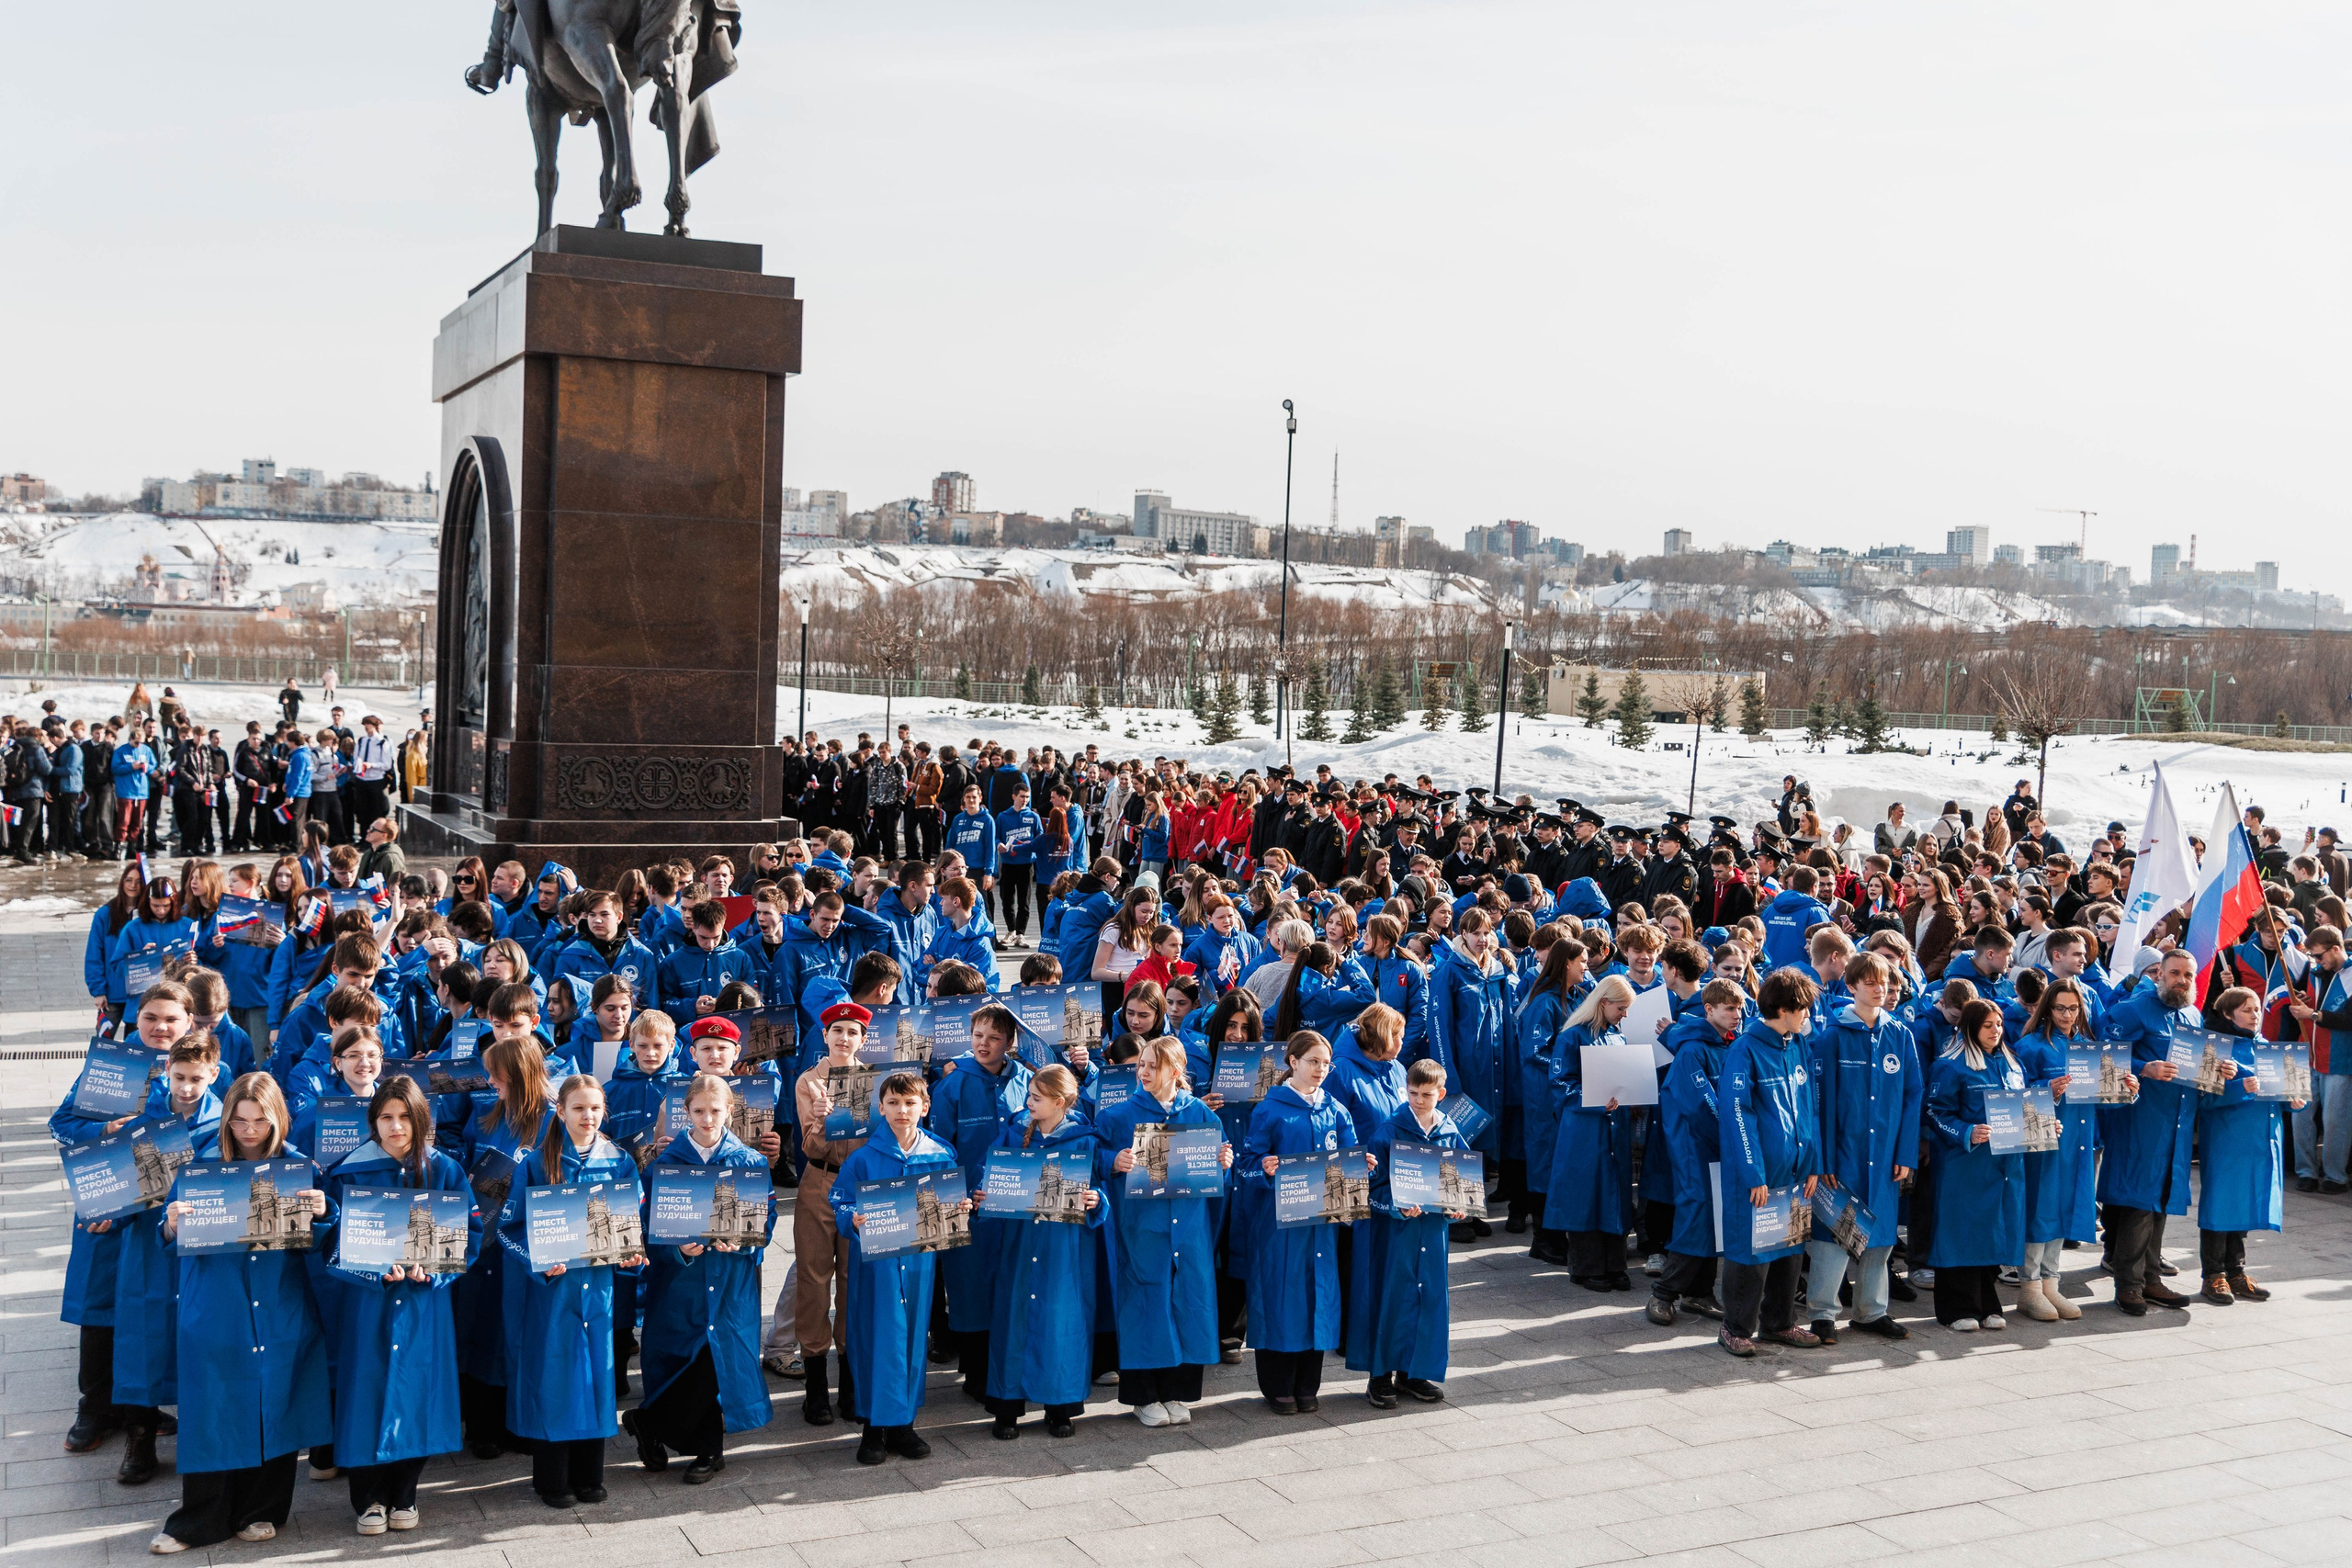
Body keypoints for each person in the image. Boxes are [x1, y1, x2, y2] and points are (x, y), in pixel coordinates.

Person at [147, 1075, 331, 1555]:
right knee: (213, 1409)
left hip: (279, 1304)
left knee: (277, 1405)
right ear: (228, 1117)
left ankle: (263, 1510)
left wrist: (324, 1211)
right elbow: (165, 1235)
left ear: (277, 1120)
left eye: (260, 1120)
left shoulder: (300, 1167)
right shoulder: (200, 1165)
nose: (249, 1130)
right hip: (217, 1306)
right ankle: (199, 1518)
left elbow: (327, 1244)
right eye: (240, 1120)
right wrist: (168, 1224)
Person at [315, 1076, 481, 1535]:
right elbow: (329, 1244)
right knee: (365, 1393)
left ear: (420, 1119)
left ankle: (405, 1491)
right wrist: (369, 1272)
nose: (395, 1126)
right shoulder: (348, 1172)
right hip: (368, 1305)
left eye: (405, 1116)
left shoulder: (445, 1170)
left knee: (420, 1393)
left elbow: (470, 1237)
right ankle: (368, 1498)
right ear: (373, 1121)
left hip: (425, 1305)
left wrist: (440, 1271)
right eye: (386, 1117)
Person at [497, 1072, 644, 1507]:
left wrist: (631, 1255)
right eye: (578, 1108)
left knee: (596, 1376)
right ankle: (551, 1479)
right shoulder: (536, 1164)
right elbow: (509, 1229)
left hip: (597, 1291)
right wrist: (537, 1264)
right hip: (554, 1292)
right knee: (556, 1376)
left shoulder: (619, 1161)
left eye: (595, 1108)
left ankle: (590, 1475)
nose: (588, 1116)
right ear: (559, 1112)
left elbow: (629, 1227)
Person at [626, 1071, 776, 1483]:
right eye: (698, 1111)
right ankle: (667, 1431)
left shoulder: (749, 1163)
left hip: (730, 1280)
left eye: (715, 1111)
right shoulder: (664, 1166)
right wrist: (676, 1250)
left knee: (716, 1358)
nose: (707, 1119)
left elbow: (767, 1220)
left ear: (730, 1111)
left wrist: (744, 1244)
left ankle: (691, 1442)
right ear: (685, 1113)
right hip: (682, 1284)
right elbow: (644, 1225)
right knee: (685, 1357)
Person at [830, 1070, 967, 1465]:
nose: (902, 1110)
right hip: (877, 1266)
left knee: (911, 1340)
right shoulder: (864, 1158)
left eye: (910, 1103)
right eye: (893, 1103)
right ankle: (873, 1428)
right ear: (881, 1108)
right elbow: (839, 1201)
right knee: (877, 1338)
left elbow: (951, 1205)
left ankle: (904, 1425)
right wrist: (851, 1219)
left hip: (920, 1264)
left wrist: (961, 1210)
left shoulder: (940, 1154)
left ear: (925, 1107)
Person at [1094, 1035, 1231, 1427]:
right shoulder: (1117, 1116)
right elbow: (1091, 1158)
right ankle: (1144, 1395)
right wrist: (1111, 1160)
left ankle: (1177, 1391)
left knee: (1187, 1301)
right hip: (1142, 1226)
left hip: (1187, 1227)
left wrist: (1224, 1161)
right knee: (1146, 1302)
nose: (1143, 1072)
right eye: (1141, 1065)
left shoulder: (1201, 1114)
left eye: (1152, 1066)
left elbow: (1219, 1164)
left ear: (1175, 1071)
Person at [1240, 1031, 1368, 1414]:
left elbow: (1349, 1156)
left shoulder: (1336, 1110)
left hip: (1322, 1226)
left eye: (1326, 1063)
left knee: (1319, 1296)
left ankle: (1308, 1383)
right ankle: (1278, 1384)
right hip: (1282, 1224)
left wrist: (1362, 1167)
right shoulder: (1270, 1109)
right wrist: (1263, 1168)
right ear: (1292, 1062)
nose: (1321, 1070)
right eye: (1313, 1061)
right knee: (1282, 1297)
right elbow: (1247, 1163)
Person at [980, 1065, 1106, 1438]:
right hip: (1020, 1243)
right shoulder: (1015, 1133)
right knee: (1014, 1318)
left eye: (1036, 1097)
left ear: (1059, 1101)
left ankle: (1060, 1406)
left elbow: (1101, 1194)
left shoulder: (1084, 1140)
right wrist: (985, 1193)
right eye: (1028, 1095)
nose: (1028, 1102)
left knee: (1060, 1321)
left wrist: (1095, 1200)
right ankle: (1006, 1408)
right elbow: (989, 1174)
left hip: (1064, 1248)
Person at [1804, 953, 1922, 1344]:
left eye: (1884, 982)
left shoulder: (1899, 1033)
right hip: (1844, 1156)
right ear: (1851, 986)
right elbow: (1819, 1103)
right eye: (1870, 982)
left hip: (1885, 1156)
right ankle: (1822, 1313)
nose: (1879, 989)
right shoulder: (1834, 1034)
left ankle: (1871, 1311)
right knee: (1834, 1235)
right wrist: (1823, 1160)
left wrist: (1905, 1154)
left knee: (1881, 1237)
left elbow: (1911, 1095)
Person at [1714, 970, 1824, 1358]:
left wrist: (1814, 1163)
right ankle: (1735, 1327)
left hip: (1796, 1172)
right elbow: (1737, 1114)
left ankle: (1779, 1323)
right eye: (1802, 1007)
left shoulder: (1797, 1045)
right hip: (1759, 1175)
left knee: (1790, 1249)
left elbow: (1810, 1108)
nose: (1808, 1013)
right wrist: (1753, 1173)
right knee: (1750, 1254)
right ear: (1782, 1009)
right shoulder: (1745, 1050)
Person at [1352, 1058, 1469, 1408]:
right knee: (1391, 1296)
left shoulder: (1450, 1132)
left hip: (1432, 1232)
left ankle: (1414, 1372)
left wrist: (1458, 1206)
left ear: (1441, 1094)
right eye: (1413, 1092)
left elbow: (1462, 1183)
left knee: (1430, 1297)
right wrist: (1395, 1206)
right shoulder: (1388, 1132)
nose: (1418, 1100)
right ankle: (1380, 1374)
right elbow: (1368, 1189)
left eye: (1427, 1094)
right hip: (1396, 1234)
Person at [927, 1002, 1031, 1393]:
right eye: (978, 1036)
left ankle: (1009, 1369)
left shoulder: (1024, 1080)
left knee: (1010, 1285)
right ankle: (975, 1373)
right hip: (968, 1205)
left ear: (1010, 1042)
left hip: (1014, 1204)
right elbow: (940, 1148)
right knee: (969, 1287)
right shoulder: (954, 1084)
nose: (984, 1044)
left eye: (994, 1038)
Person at [2099, 949, 2203, 1316]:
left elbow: (2196, 1061)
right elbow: (2103, 1054)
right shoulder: (2133, 1008)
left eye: (2188, 975)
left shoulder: (2192, 1013)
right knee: (2139, 1200)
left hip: (2175, 1121)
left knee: (2160, 1198)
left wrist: (2216, 1069)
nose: (2182, 981)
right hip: (2140, 1121)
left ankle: (2152, 1278)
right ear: (2159, 974)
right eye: (2175, 973)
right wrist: (2145, 1067)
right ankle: (2128, 1284)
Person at [1924, 999, 2028, 1331]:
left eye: (1998, 1024)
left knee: (1991, 1230)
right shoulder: (1950, 1065)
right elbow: (1934, 1113)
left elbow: (2022, 1107)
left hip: (2001, 1167)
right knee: (1961, 1232)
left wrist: (2042, 1123)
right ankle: (1955, 1308)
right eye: (1987, 1025)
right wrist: (1967, 1131)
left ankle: (1987, 1302)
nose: (1995, 1031)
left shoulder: (2011, 1064)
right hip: (1963, 1165)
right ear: (1970, 1026)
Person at [2012, 977, 2109, 1322]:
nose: (2067, 1015)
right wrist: (2047, 1089)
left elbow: (2104, 1101)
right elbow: (2015, 1096)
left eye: (2073, 1008)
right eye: (2060, 1008)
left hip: (2080, 1141)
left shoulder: (2088, 1046)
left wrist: (2125, 1088)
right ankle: (2030, 1286)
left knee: (2066, 1207)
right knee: (2042, 1208)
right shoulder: (2030, 1046)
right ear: (2047, 1009)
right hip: (2045, 1143)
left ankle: (2052, 1282)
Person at [1544, 974, 1637, 1291]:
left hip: (1612, 1125)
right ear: (1604, 1003)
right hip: (1584, 1128)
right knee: (1586, 1194)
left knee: (1615, 1193)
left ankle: (1615, 1263)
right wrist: (1597, 1102)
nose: (1625, 1015)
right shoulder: (1571, 1035)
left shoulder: (1617, 1036)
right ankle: (1586, 1266)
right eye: (1621, 1008)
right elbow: (1559, 1083)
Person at [2195, 986, 2287, 1305]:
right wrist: (2238, 1089)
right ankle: (2213, 1275)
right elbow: (2202, 1100)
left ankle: (2236, 1271)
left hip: (2260, 1141)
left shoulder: (2268, 1047)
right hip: (2225, 1141)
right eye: (2247, 1010)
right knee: (2221, 1204)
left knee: (2246, 1204)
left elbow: (2282, 1097)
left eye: (2258, 1009)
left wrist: (2295, 1100)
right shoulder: (2214, 1047)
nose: (2255, 1015)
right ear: (2227, 1013)